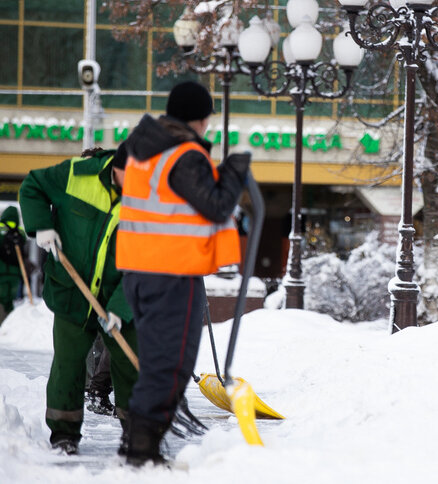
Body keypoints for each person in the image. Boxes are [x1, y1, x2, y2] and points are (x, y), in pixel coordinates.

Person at [118, 81, 249, 466]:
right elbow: (215, 206)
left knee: (161, 363)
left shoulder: (139, 149)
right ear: (202, 118)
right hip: (172, 274)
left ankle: (139, 449)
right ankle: (139, 454)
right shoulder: (183, 154)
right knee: (170, 366)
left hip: (139, 273)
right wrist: (235, 172)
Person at [18, 144, 138, 455]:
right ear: (116, 166)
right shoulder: (75, 174)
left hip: (119, 291)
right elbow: (33, 186)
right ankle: (64, 435)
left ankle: (138, 436)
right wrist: (42, 226)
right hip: (72, 291)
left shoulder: (151, 199)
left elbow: (145, 265)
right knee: (68, 366)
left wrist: (120, 309)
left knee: (129, 365)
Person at [0, 205, 27, 322]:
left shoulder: (2, 228)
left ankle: (6, 328)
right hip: (15, 274)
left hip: (3, 273)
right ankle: (8, 325)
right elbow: (24, 239)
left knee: (3, 300)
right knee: (9, 301)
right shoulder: (19, 232)